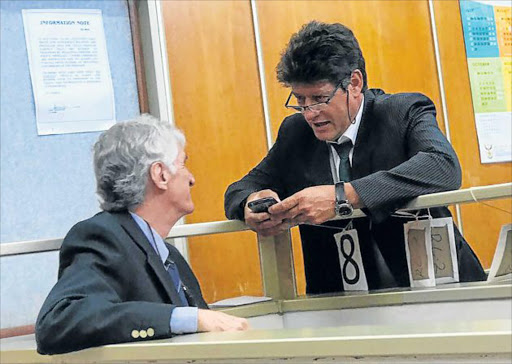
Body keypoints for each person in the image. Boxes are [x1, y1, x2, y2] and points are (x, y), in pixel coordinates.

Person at [225, 21, 486, 295]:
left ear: (354, 83)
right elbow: (240, 189)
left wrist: (342, 196)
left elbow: (442, 166)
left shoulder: (402, 112)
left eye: (319, 98)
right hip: (344, 303)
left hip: (439, 290)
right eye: (300, 100)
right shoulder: (295, 133)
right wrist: (251, 202)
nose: (310, 113)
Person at [36, 115, 249, 355]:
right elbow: (59, 321)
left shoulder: (170, 255)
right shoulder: (103, 237)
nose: (192, 179)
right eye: (183, 164)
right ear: (160, 175)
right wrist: (188, 319)